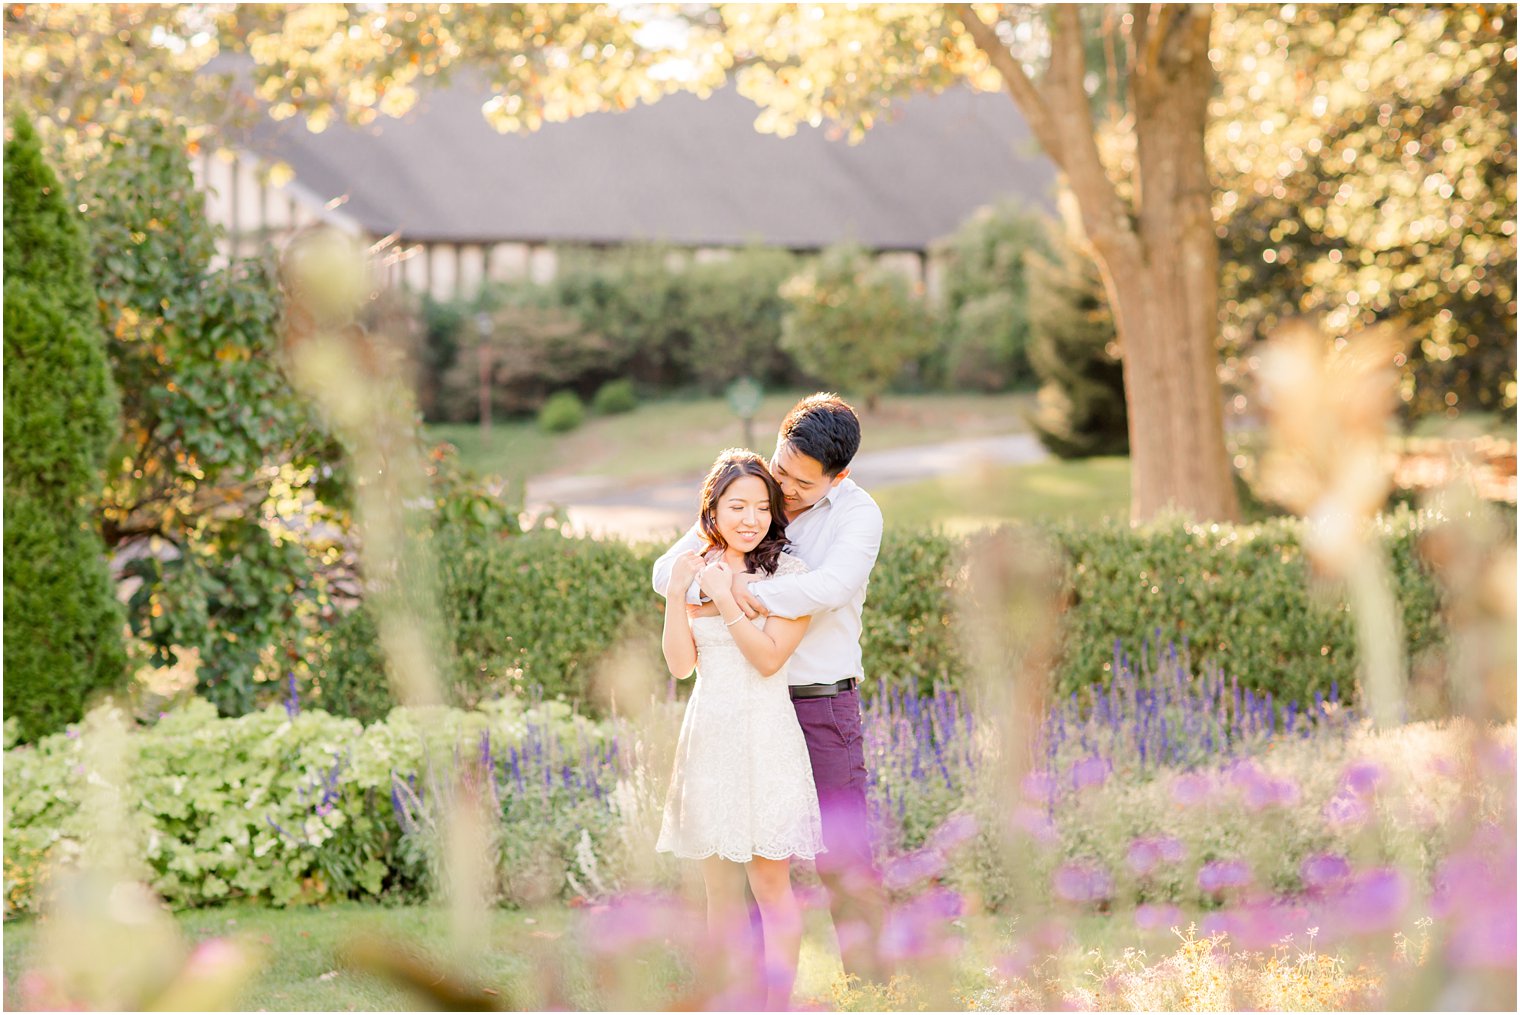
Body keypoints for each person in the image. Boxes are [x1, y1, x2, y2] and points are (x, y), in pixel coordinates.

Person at [653, 393, 887, 983]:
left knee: (843, 857)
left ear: (838, 477)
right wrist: (702, 589)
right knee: (746, 854)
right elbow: (668, 571)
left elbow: (828, 588)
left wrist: (734, 595)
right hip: (743, 711)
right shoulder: (755, 497)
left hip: (818, 702)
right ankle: (755, 991)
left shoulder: (858, 517)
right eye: (781, 467)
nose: (784, 487)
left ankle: (876, 990)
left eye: (800, 482)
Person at [656, 448, 822, 1011]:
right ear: (714, 510)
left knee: (772, 890)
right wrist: (678, 596)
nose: (750, 519)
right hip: (710, 737)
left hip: (767, 739)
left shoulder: (791, 577)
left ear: (774, 512)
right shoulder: (697, 569)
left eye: (760, 507)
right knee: (718, 896)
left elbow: (771, 659)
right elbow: (681, 666)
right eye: (737, 506)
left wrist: (726, 599)